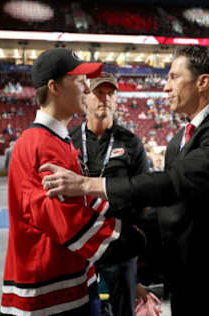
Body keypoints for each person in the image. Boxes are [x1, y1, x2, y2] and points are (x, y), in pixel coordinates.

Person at [40, 46, 209, 315]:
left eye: (173, 77)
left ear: (203, 82)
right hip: (190, 284)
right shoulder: (179, 140)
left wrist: (86, 184)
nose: (165, 87)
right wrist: (114, 237)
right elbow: (168, 208)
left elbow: (174, 184)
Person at [0, 48, 145, 316]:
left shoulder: (57, 141)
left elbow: (85, 203)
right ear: (54, 87)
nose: (86, 89)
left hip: (69, 283)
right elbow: (69, 222)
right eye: (79, 81)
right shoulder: (40, 145)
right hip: (48, 295)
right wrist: (138, 238)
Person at [70, 72, 148, 316]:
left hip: (119, 245)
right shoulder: (68, 141)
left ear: (116, 99)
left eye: (110, 93)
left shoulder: (132, 143)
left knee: (124, 310)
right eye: (98, 92)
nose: (105, 98)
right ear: (86, 98)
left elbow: (143, 194)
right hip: (79, 245)